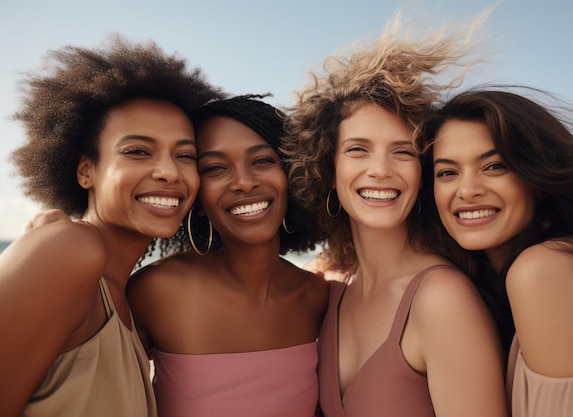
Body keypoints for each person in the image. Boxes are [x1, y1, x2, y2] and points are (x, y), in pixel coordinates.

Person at [280, 21, 507, 417]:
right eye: (358, 150)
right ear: (328, 171)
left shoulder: (441, 299)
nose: (381, 170)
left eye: (402, 152)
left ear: (422, 173)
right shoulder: (338, 294)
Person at [0, 35, 222, 417]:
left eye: (185, 155)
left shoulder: (127, 298)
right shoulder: (69, 251)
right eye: (138, 151)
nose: (170, 172)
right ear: (86, 170)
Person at [420, 88, 573, 417]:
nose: (468, 190)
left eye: (495, 166)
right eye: (447, 172)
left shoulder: (545, 271)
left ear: (536, 179)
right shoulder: (564, 261)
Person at [125, 95, 329, 417]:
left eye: (262, 161)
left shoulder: (317, 297)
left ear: (292, 175)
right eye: (216, 168)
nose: (245, 182)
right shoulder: (155, 291)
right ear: (197, 193)